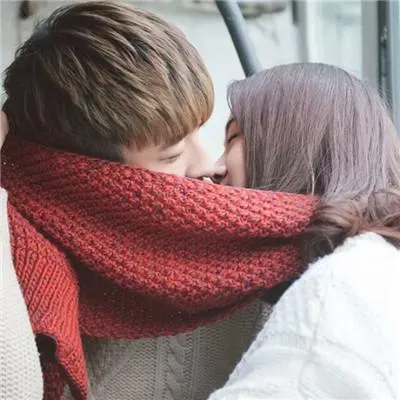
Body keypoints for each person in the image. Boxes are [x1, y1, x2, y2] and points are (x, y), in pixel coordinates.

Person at [0, 2, 314, 400]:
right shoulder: (18, 257)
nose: (206, 165)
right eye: (171, 155)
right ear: (91, 181)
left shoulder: (268, 257)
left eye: (201, 134)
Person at [209, 63, 400, 398]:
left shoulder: (336, 287)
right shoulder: (374, 266)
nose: (215, 168)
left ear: (294, 146)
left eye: (234, 138)